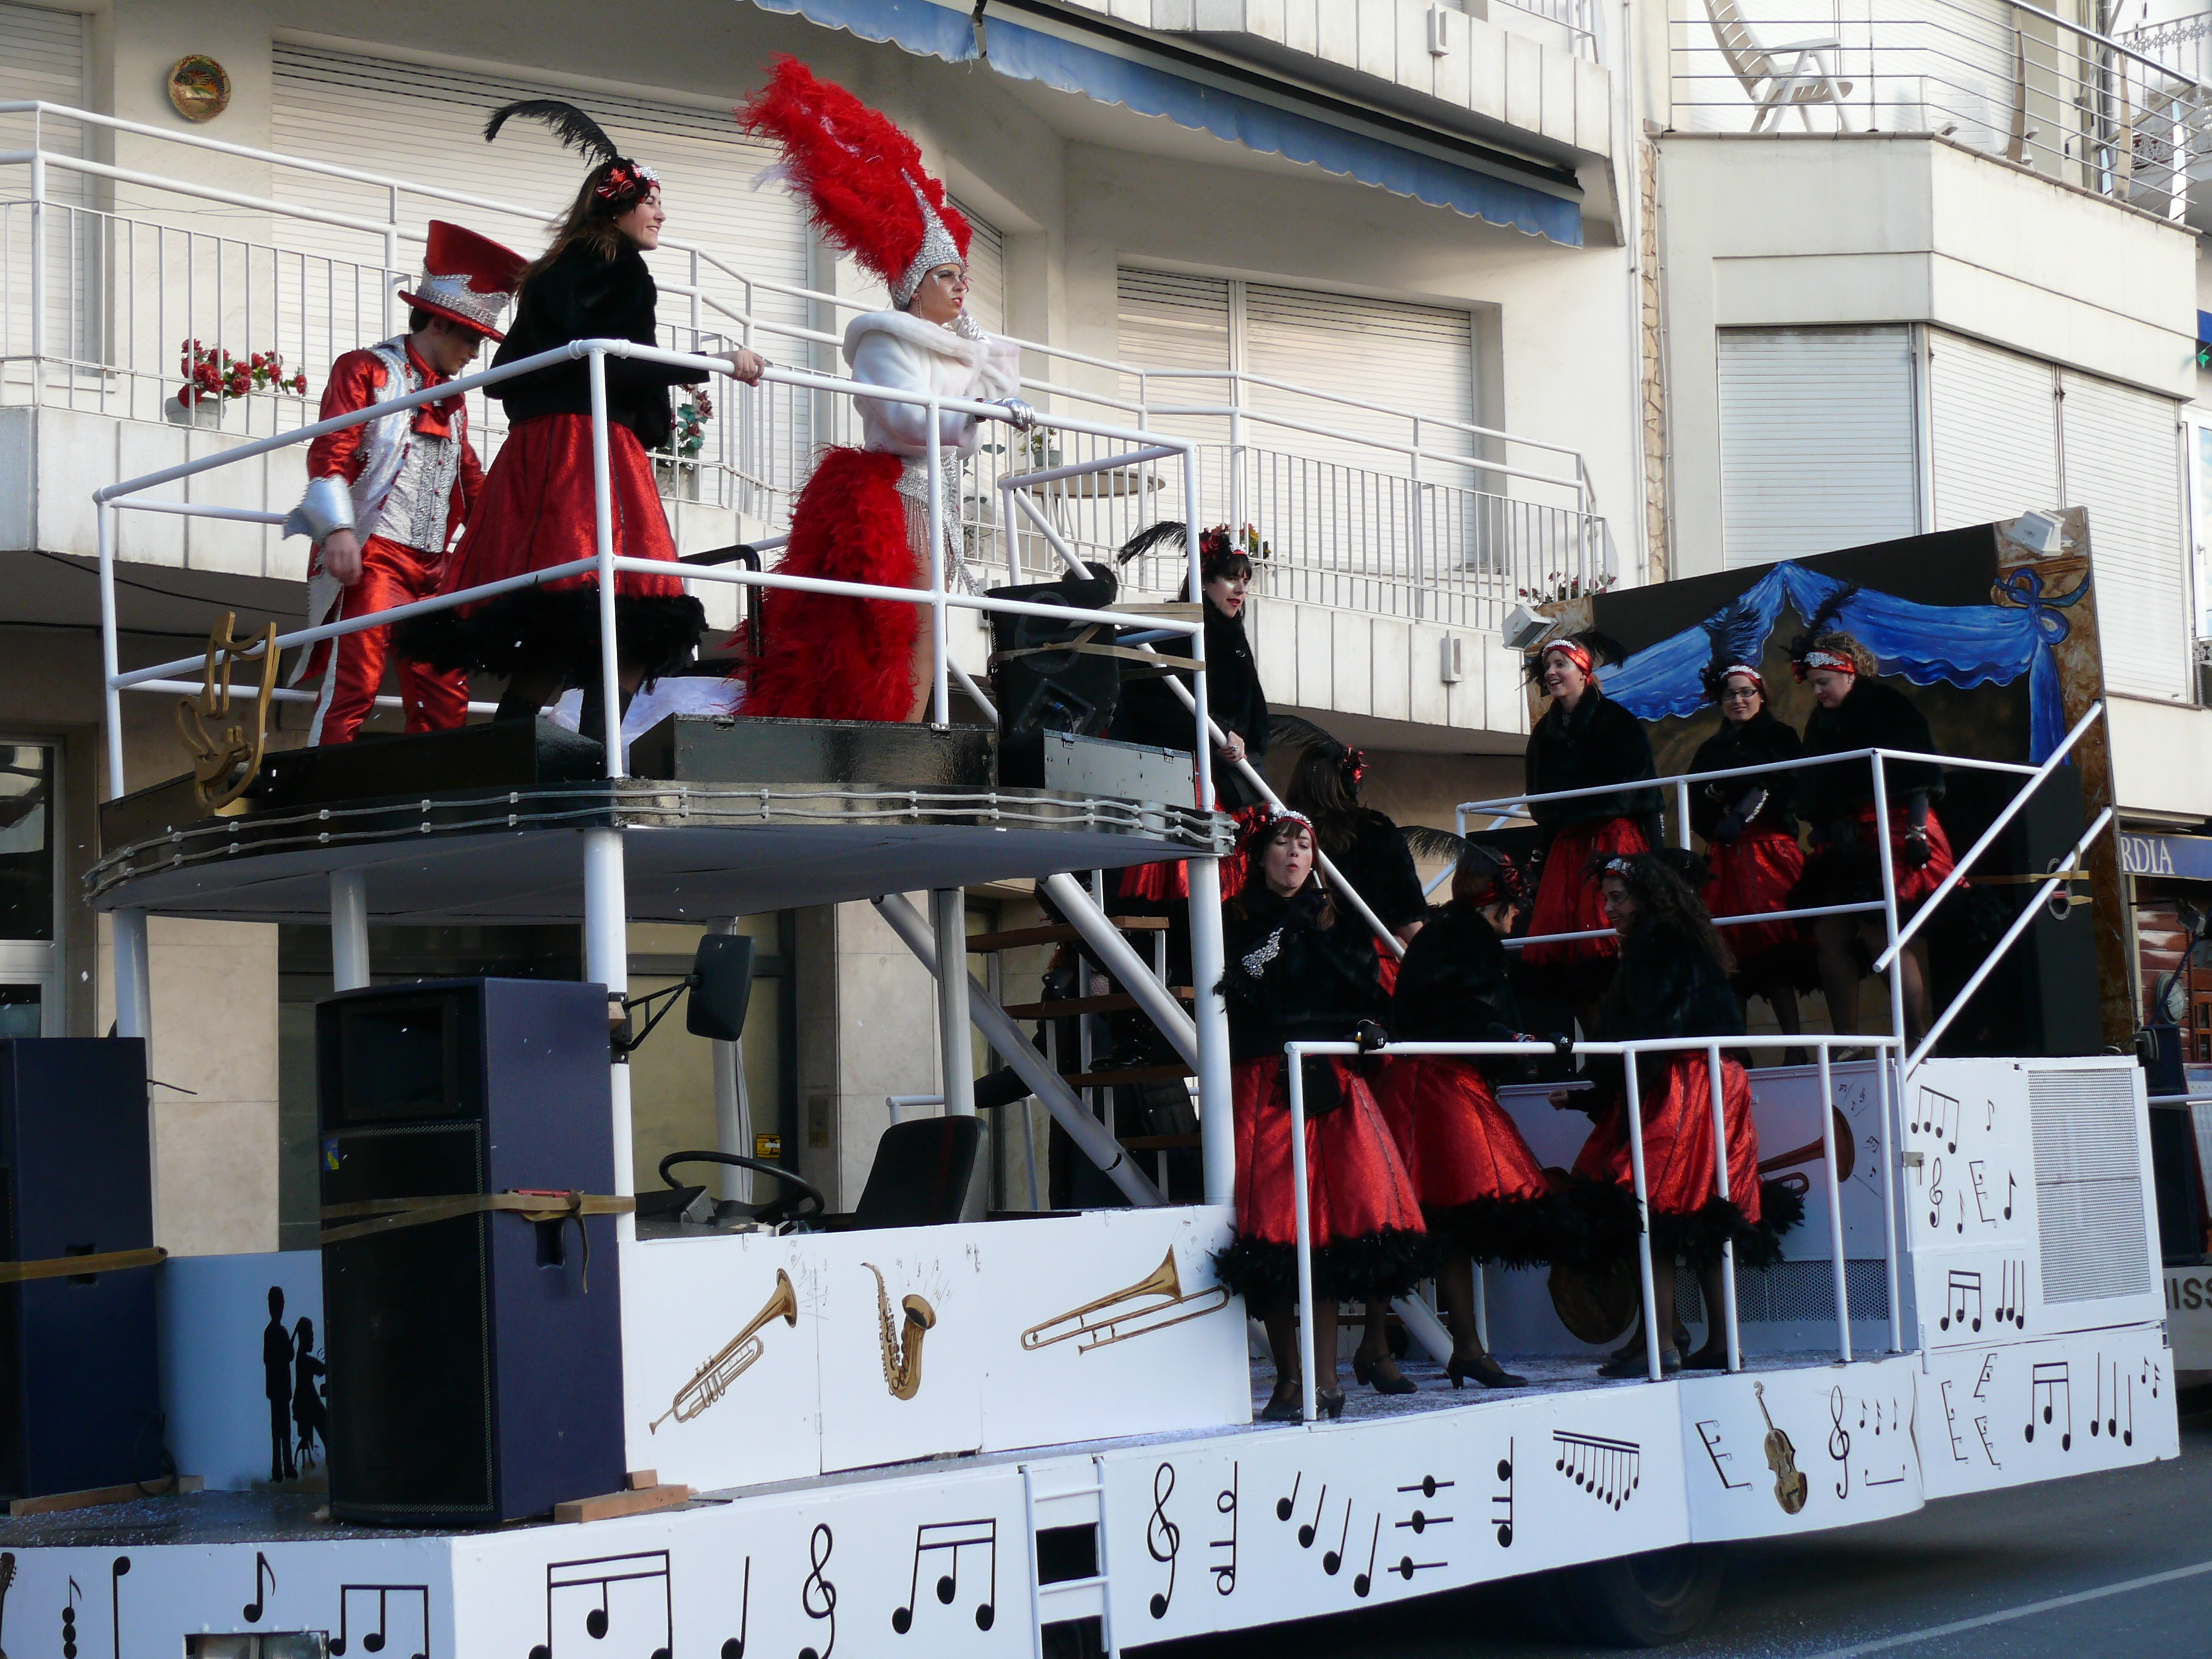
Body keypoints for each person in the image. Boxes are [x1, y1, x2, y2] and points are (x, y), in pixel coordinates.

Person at [396, 101, 766, 740]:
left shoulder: (554, 267)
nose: (661, 214)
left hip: (537, 452)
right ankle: (596, 761)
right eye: (651, 202)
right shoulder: (621, 266)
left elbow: (513, 372)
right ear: (616, 208)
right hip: (590, 450)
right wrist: (716, 363)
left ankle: (510, 753)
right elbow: (619, 360)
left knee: (561, 622)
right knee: (631, 618)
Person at [734, 58, 1032, 723]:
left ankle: (911, 732)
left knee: (931, 628)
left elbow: (997, 391)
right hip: (904, 495)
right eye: (947, 276)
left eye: (963, 276)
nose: (961, 286)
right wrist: (978, 410)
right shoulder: (885, 340)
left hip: (942, 496)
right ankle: (896, 733)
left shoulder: (952, 341)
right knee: (904, 628)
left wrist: (975, 346)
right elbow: (904, 419)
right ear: (915, 287)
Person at [1378, 846, 1633, 1389]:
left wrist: (1513, 1037)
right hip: (1438, 1086)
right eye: (1513, 905)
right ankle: (1407, 1349)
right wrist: (1516, 1038)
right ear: (1495, 904)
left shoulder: (1449, 936)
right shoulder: (1463, 940)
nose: (1517, 916)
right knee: (1437, 1214)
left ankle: (1443, 1349)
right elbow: (1464, 1011)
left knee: (1439, 1219)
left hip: (1433, 1082)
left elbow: (1456, 1008)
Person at [1215, 814, 1427, 1421]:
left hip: (1327, 1079)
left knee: (1328, 1234)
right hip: (1263, 1079)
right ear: (1260, 855)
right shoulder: (1234, 916)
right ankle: (1291, 1380)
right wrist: (1287, 932)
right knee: (1272, 1235)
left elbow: (1363, 991)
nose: (1294, 852)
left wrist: (1367, 1024)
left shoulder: (1338, 916)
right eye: (1283, 841)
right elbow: (1237, 986)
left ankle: (1324, 1380)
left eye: (1304, 843)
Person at [283, 221, 523, 745]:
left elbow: (470, 478)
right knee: (354, 683)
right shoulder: (365, 370)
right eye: (471, 338)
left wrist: (516, 541)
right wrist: (337, 530)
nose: (475, 353)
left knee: (446, 693)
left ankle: (437, 790)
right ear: (437, 323)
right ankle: (324, 782)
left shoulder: (452, 399)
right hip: (376, 557)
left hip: (436, 568)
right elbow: (331, 449)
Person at [1558, 854, 1798, 1376]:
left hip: (1682, 1081)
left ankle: (1661, 1344)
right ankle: (1722, 1342)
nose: (1609, 909)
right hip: (1718, 1077)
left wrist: (1600, 1092)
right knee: (1706, 1210)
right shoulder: (1689, 938)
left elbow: (1648, 1029)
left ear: (1645, 898)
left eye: (1618, 898)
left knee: (1653, 1206)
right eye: (1606, 898)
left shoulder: (1653, 945)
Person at [1788, 601, 1954, 1045]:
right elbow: (1815, 781)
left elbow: (1919, 773)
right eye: (1813, 684)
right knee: (1829, 933)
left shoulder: (1887, 706)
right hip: (1843, 839)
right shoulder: (1820, 721)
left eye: (1824, 682)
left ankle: (1917, 1038)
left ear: (1849, 674)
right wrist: (1821, 825)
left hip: (1893, 826)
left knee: (1881, 932)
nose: (1818, 691)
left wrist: (1917, 832)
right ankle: (1848, 1041)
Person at [1105, 521, 1273, 910]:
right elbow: (1156, 701)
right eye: (1231, 579)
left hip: (1223, 775)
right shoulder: (1178, 629)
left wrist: (1238, 739)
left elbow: (1252, 711)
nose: (1241, 589)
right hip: (1184, 779)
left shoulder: (1231, 632)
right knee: (1188, 887)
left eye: (1246, 580)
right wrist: (1220, 736)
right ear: (1205, 581)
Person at [1519, 632, 1661, 1020]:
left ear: (1583, 671)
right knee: (1571, 957)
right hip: (1568, 850)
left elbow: (1648, 796)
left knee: (1612, 942)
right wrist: (1542, 855)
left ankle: (1626, 1039)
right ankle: (1600, 1045)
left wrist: (1658, 856)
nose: (1551, 672)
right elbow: (1540, 802)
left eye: (1560, 664)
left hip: (1613, 840)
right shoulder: (1543, 734)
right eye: (1547, 666)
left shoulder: (1618, 722)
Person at [1688, 653, 1816, 1038]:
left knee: (1774, 951)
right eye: (1730, 695)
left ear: (1762, 696)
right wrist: (1716, 806)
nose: (1738, 700)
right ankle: (1736, 1048)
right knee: (1727, 956)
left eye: (1746, 692)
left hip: (1770, 854)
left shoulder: (1780, 737)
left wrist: (1733, 794)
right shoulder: (1710, 749)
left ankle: (1795, 1044)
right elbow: (1695, 802)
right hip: (1725, 858)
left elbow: (1784, 787)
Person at [1277, 719, 1429, 957]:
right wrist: (1431, 960)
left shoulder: (1280, 831)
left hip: (1292, 956)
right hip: (1359, 960)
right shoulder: (1375, 830)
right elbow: (1404, 911)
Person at [261, 1285, 295, 1483]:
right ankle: (286, 1467)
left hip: (275, 1389)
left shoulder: (270, 1331)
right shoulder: (279, 1332)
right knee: (284, 1430)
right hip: (280, 1388)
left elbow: (268, 1358)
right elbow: (289, 1355)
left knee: (278, 1430)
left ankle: (279, 1469)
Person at [291, 1315, 327, 1473]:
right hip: (308, 1406)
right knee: (327, 1428)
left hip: (305, 1405)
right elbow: (322, 1369)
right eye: (311, 1335)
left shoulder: (302, 1359)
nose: (313, 1339)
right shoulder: (305, 1360)